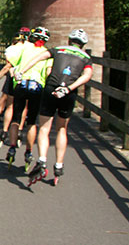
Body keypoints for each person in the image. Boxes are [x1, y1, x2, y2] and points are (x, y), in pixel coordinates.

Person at [20, 29, 93, 186]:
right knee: (61, 129)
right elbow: (86, 76)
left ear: (69, 40)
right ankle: (58, 166)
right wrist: (69, 88)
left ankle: (42, 160)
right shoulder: (86, 58)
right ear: (83, 45)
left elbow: (38, 58)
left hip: (51, 88)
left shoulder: (58, 50)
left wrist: (22, 71)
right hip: (68, 92)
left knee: (44, 128)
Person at [5, 26, 51, 170]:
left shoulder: (24, 47)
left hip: (21, 84)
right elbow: (49, 73)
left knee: (16, 118)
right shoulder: (47, 53)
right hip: (37, 87)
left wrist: (14, 77)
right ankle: (29, 152)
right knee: (31, 121)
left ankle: (12, 147)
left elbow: (10, 63)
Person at [0, 27, 31, 147]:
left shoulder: (10, 49)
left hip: (13, 78)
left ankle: (3, 130)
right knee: (24, 107)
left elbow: (7, 67)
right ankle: (19, 131)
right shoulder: (30, 48)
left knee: (9, 106)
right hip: (27, 78)